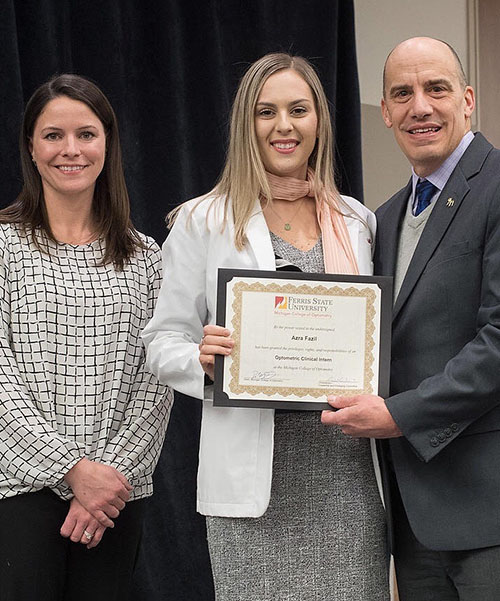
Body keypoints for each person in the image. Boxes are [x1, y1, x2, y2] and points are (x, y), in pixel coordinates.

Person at [143, 53, 389, 600]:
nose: (284, 126)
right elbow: (162, 341)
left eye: (298, 109)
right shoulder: (202, 219)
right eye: (266, 111)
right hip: (253, 495)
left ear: (319, 120)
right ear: (245, 125)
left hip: (347, 480)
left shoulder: (357, 220)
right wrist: (201, 363)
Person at [322, 36, 500, 600]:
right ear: (385, 112)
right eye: (401, 93)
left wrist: (399, 415)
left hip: (487, 509)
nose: (419, 106)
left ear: (467, 99)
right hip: (410, 513)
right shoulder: (386, 216)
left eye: (436, 89)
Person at [0, 74, 173, 601]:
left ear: (107, 144)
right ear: (31, 147)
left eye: (86, 134)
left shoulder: (147, 259)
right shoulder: (3, 246)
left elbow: (157, 380)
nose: (69, 150)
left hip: (115, 497)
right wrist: (72, 470)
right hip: (19, 491)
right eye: (53, 135)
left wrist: (104, 481)